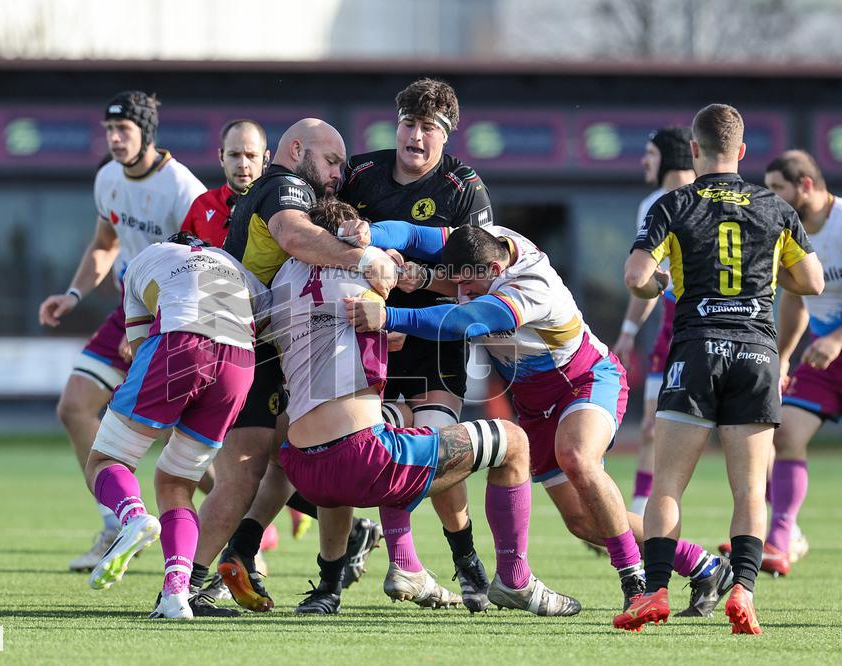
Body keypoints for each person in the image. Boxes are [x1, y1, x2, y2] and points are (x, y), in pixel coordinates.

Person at [346, 219, 733, 618]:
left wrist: (389, 316)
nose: (462, 293)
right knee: (583, 522)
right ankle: (703, 566)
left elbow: (463, 320)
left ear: (495, 273)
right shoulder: (484, 243)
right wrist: (365, 235)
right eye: (458, 283)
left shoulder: (532, 285)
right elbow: (411, 236)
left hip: (585, 380)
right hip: (535, 406)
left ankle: (635, 582)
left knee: (577, 456)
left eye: (470, 287)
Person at [273, 199, 580, 616]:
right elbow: (439, 311)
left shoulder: (282, 277)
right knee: (512, 441)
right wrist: (381, 273)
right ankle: (514, 579)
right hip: (364, 461)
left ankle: (329, 587)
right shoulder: (367, 267)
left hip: (302, 466)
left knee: (390, 421)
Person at [615, 104, 824, 635]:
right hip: (756, 355)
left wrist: (655, 285)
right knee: (750, 490)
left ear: (693, 149)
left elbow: (636, 275)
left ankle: (655, 591)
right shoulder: (774, 206)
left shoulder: (673, 203)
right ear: (743, 151)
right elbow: (814, 283)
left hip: (696, 352)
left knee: (667, 485)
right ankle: (744, 593)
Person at [183, 118, 398, 615]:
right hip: (244, 348)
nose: (339, 173)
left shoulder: (270, 189)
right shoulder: (285, 186)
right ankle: (189, 583)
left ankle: (239, 550)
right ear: (297, 149)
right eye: (332, 161)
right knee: (244, 469)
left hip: (247, 344)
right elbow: (296, 236)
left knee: (288, 452)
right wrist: (365, 257)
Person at [337, 77, 494, 612]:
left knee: (440, 450)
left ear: (447, 136)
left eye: (430, 128)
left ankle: (466, 561)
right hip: (367, 334)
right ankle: (396, 564)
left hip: (437, 338)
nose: (417, 137)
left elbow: (479, 279)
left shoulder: (464, 188)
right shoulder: (358, 173)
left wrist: (418, 283)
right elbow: (326, 245)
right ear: (396, 124)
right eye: (410, 124)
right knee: (382, 447)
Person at [38, 92, 205, 572]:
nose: (114, 139)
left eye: (124, 130)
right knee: (74, 407)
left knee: (182, 438)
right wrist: (71, 295)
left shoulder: (181, 188)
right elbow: (104, 243)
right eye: (109, 130)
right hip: (127, 311)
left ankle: (253, 509)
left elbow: (203, 267)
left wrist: (154, 330)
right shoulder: (109, 178)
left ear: (147, 134)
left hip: (174, 317)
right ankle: (116, 525)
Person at [81, 231, 270, 619]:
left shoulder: (146, 258)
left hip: (182, 344)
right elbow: (264, 324)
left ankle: (133, 518)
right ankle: (176, 595)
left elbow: (137, 348)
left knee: (104, 461)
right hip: (240, 365)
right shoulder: (235, 266)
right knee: (176, 483)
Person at [756, 149, 839, 576]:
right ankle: (782, 539)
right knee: (785, 433)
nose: (771, 198)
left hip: (833, 346)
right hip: (824, 356)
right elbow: (794, 300)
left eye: (777, 189)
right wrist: (783, 359)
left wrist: (838, 338)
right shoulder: (791, 231)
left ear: (805, 185)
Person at [612, 127, 696, 516]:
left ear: (672, 156)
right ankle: (640, 520)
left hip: (718, 324)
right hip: (671, 323)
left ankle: (768, 520)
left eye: (650, 153)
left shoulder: (709, 196)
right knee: (650, 427)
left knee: (739, 430)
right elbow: (646, 276)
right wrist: (628, 334)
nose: (644, 160)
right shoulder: (651, 205)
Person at [182, 119, 270, 247]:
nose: (243, 164)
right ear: (221, 156)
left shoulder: (277, 206)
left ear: (265, 158)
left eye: (251, 155)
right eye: (234, 155)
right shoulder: (202, 205)